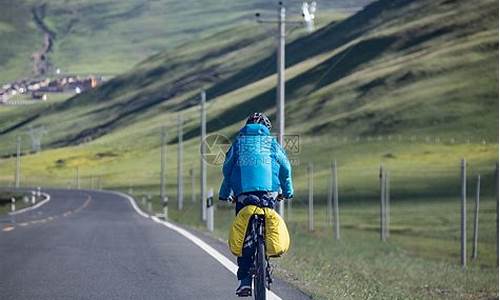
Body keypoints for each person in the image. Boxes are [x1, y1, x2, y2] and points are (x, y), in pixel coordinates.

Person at [219, 112, 294, 297]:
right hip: (269, 195)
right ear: (267, 129)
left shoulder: (238, 143)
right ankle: (265, 259)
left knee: (244, 233)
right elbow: (285, 169)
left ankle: (245, 281)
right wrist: (288, 191)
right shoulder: (272, 144)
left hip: (244, 196)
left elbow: (227, 171)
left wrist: (225, 194)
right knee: (267, 224)